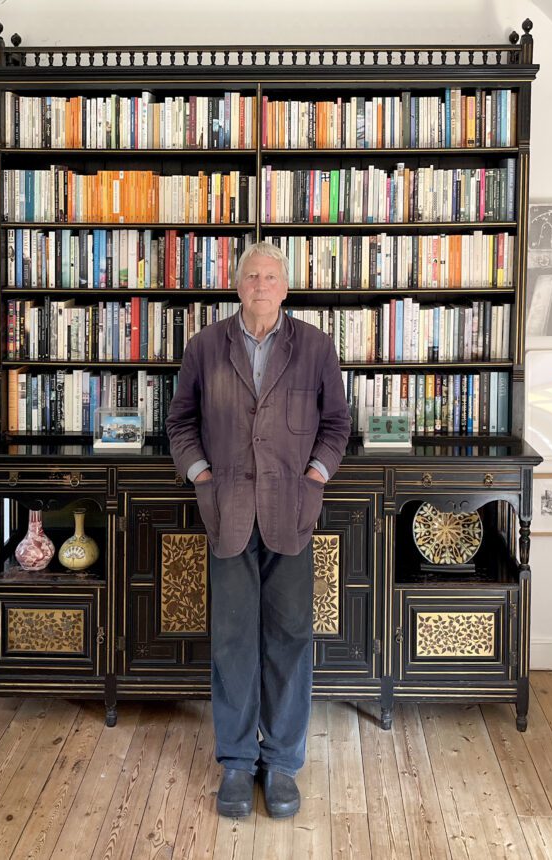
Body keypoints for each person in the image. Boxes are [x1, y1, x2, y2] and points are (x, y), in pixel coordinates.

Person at [166, 241, 350, 820]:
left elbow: (337, 424)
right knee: (233, 643)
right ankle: (239, 763)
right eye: (252, 276)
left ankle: (284, 765)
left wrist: (316, 476)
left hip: (292, 513)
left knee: (291, 641)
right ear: (237, 284)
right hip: (227, 513)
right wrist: (200, 477)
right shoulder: (205, 346)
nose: (261, 285)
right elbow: (180, 422)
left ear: (285, 287)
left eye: (271, 276)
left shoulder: (316, 346)